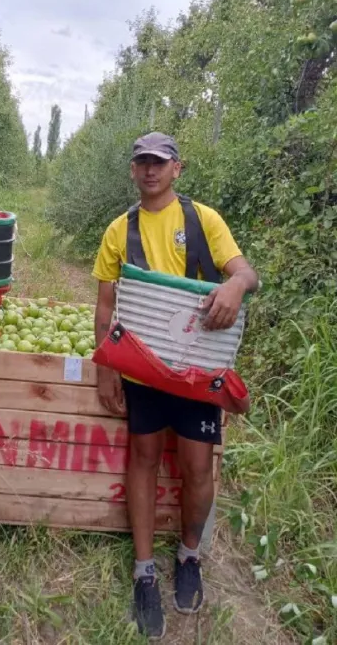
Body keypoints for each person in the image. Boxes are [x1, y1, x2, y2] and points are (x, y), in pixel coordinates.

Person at [91, 132, 259, 638]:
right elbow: (104, 305)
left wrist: (234, 284)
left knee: (196, 463)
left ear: (176, 169)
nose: (150, 171)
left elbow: (245, 272)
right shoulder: (120, 230)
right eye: (141, 162)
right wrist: (105, 369)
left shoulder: (203, 220)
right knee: (142, 455)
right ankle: (145, 571)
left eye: (159, 163)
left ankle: (189, 556)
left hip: (195, 369)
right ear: (132, 170)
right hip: (143, 367)